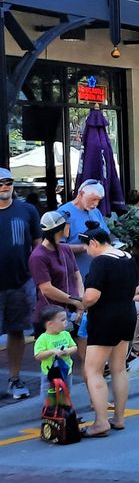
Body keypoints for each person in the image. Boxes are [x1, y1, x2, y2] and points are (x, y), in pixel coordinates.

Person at [79, 226, 136, 436]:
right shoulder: (128, 257)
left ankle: (100, 422)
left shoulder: (101, 261)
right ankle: (119, 418)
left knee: (93, 370)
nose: (87, 252)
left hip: (105, 318)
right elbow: (135, 289)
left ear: (93, 243)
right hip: (128, 313)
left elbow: (92, 296)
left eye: (86, 247)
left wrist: (81, 304)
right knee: (119, 368)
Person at [1, 168, 41, 399]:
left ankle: (15, 379)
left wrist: (36, 275)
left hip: (20, 282)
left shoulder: (27, 211)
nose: (4, 186)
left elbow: (38, 245)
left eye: (8, 182)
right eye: (0, 183)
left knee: (16, 331)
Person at [30, 210, 86, 376]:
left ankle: (95, 400)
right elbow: (46, 288)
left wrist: (80, 302)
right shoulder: (38, 256)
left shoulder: (65, 249)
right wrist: (75, 301)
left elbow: (77, 276)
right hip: (52, 315)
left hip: (75, 311)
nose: (69, 227)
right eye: (66, 225)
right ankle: (54, 401)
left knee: (87, 357)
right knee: (53, 368)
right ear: (58, 230)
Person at [58, 179, 110, 281]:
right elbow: (59, 247)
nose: (95, 203)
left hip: (98, 274)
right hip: (76, 276)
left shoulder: (95, 212)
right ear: (81, 194)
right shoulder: (65, 214)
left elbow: (106, 235)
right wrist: (86, 247)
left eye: (98, 200)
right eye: (93, 199)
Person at [33, 306, 76, 386]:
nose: (66, 322)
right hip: (50, 373)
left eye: (66, 319)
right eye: (62, 320)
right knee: (49, 395)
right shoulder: (43, 338)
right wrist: (52, 351)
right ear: (50, 324)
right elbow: (38, 356)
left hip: (66, 371)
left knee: (66, 393)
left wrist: (67, 351)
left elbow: (74, 347)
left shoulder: (66, 334)